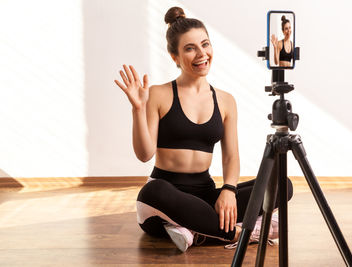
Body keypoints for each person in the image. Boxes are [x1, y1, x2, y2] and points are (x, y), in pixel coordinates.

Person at [114, 6, 293, 252]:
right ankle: (243, 233)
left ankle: (192, 231)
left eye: (205, 44)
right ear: (174, 56)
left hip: (207, 197)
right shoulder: (158, 94)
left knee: (281, 183)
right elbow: (144, 154)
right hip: (165, 199)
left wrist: (228, 190)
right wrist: (137, 109)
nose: (201, 54)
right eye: (190, 48)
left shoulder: (226, 100)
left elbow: (231, 156)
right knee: (153, 191)